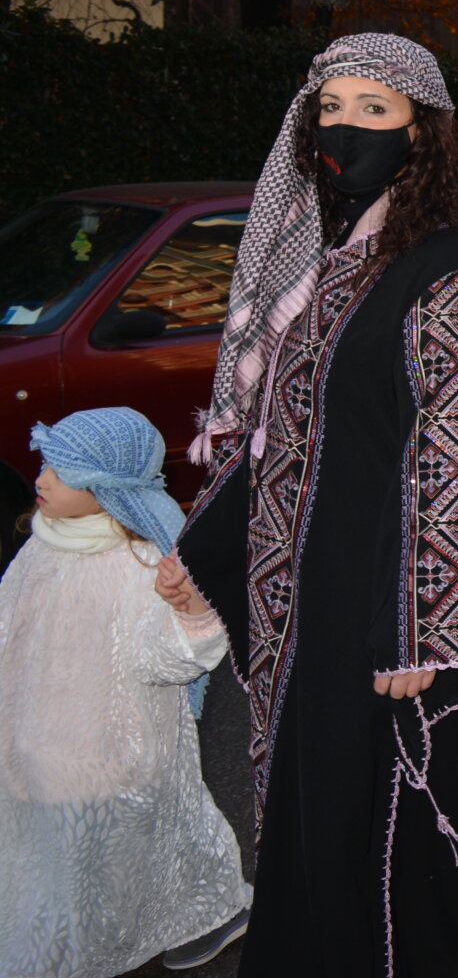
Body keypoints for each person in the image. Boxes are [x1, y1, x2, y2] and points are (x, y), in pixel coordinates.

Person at [175, 34, 458, 976]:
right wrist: (197, 551)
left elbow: (457, 462)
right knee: (312, 803)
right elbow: (283, 433)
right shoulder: (329, 266)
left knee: (382, 817)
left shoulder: (450, 269)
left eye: (373, 110)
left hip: (380, 605)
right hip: (304, 598)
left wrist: (422, 628)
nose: (343, 128)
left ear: (423, 133)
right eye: (329, 108)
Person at [0, 409, 251, 977]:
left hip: (105, 751)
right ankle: (175, 915)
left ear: (106, 488)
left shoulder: (138, 563)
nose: (40, 480)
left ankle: (83, 948)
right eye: (45, 465)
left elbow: (166, 660)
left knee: (96, 867)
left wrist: (186, 608)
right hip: (32, 739)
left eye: (62, 474)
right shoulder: (42, 545)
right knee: (66, 859)